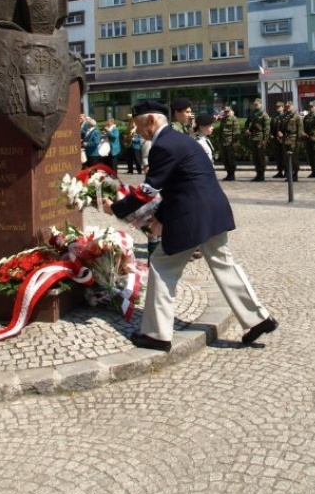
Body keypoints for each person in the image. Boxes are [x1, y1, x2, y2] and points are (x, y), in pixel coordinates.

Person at [104, 100, 277, 350]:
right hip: (213, 210)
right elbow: (181, 184)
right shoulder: (181, 139)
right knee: (224, 264)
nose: (138, 130)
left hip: (191, 216)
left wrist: (117, 208)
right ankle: (259, 318)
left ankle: (157, 335)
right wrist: (161, 217)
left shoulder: (162, 145)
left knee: (162, 266)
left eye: (139, 124)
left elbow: (149, 189)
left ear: (151, 121)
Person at [244, 99, 270, 182]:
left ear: (261, 104)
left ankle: (262, 175)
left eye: (257, 104)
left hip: (260, 138)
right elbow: (247, 123)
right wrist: (247, 130)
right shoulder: (253, 114)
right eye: (255, 104)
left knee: (261, 157)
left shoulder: (264, 115)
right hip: (253, 138)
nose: (256, 106)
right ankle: (258, 174)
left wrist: (264, 140)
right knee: (255, 158)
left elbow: (266, 129)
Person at [218, 107, 240, 181]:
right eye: (225, 111)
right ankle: (228, 174)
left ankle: (232, 174)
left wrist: (234, 142)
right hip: (223, 142)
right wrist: (220, 141)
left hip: (230, 142)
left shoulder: (234, 119)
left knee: (231, 159)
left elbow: (236, 131)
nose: (226, 113)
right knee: (225, 159)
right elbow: (221, 131)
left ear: (230, 111)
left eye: (227, 111)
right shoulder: (223, 119)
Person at [302, 102, 315, 178]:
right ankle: (313, 171)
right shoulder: (306, 117)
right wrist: (304, 133)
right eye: (310, 107)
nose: (311, 108)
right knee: (310, 156)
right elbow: (303, 127)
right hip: (308, 139)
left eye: (312, 107)